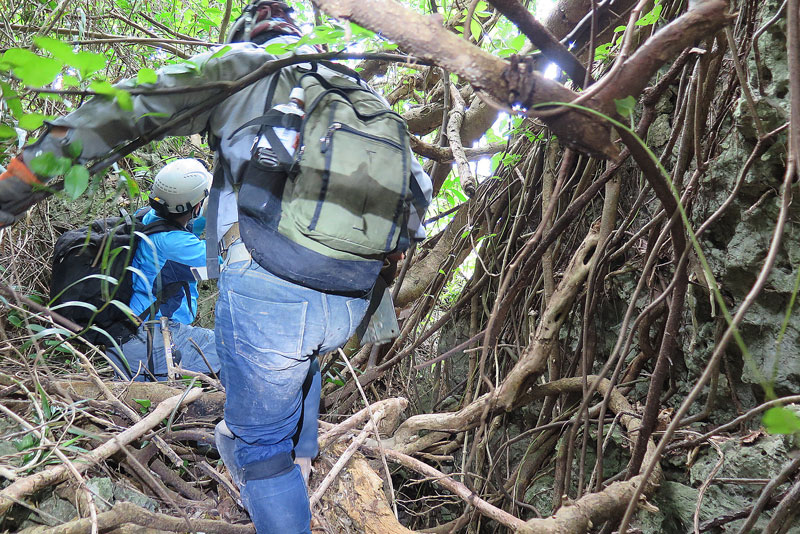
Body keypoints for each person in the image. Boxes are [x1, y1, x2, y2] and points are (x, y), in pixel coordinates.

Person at [0, 2, 432, 532]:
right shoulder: (356, 90)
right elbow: (419, 195)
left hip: (273, 286)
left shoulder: (248, 63)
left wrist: (10, 194)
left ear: (246, 33)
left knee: (257, 447)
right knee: (301, 363)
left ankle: (280, 476)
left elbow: (123, 108)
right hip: (353, 297)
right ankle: (303, 460)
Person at [105, 158, 222, 382]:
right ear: (197, 206)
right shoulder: (177, 245)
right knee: (233, 350)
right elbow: (228, 267)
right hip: (152, 342)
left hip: (126, 338)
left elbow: (189, 224)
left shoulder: (147, 216)